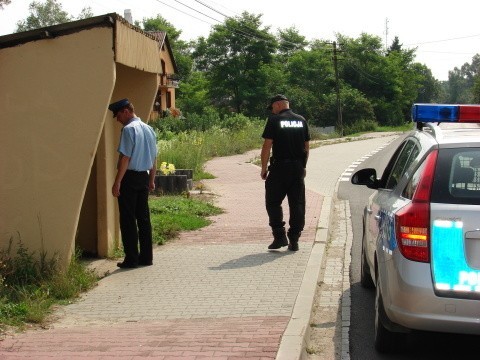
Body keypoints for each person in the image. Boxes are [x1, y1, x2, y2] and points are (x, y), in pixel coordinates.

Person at [108, 98, 158, 268]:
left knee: (128, 219)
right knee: (143, 218)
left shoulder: (129, 130)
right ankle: (147, 257)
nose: (117, 119)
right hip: (143, 177)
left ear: (126, 111)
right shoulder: (149, 129)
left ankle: (131, 259)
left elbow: (125, 159)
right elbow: (154, 158)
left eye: (117, 115)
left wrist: (117, 183)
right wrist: (151, 180)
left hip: (129, 178)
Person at [260, 94, 310, 251]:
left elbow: (267, 146)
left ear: (278, 105)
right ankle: (294, 239)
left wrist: (263, 168)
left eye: (272, 107)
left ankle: (280, 236)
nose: (272, 111)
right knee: (297, 204)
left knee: (272, 202)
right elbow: (306, 147)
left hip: (279, 168)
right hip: (297, 168)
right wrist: (303, 166)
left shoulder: (274, 120)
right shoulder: (301, 120)